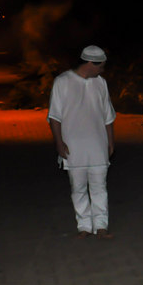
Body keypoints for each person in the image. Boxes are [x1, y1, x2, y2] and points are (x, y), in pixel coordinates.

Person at [48, 45, 116, 239]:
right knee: (78, 188)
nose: (102, 70)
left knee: (99, 187)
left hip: (98, 145)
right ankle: (84, 226)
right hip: (73, 147)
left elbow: (108, 116)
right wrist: (59, 143)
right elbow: (54, 117)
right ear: (90, 63)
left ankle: (101, 226)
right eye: (100, 66)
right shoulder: (62, 82)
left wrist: (110, 142)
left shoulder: (100, 83)